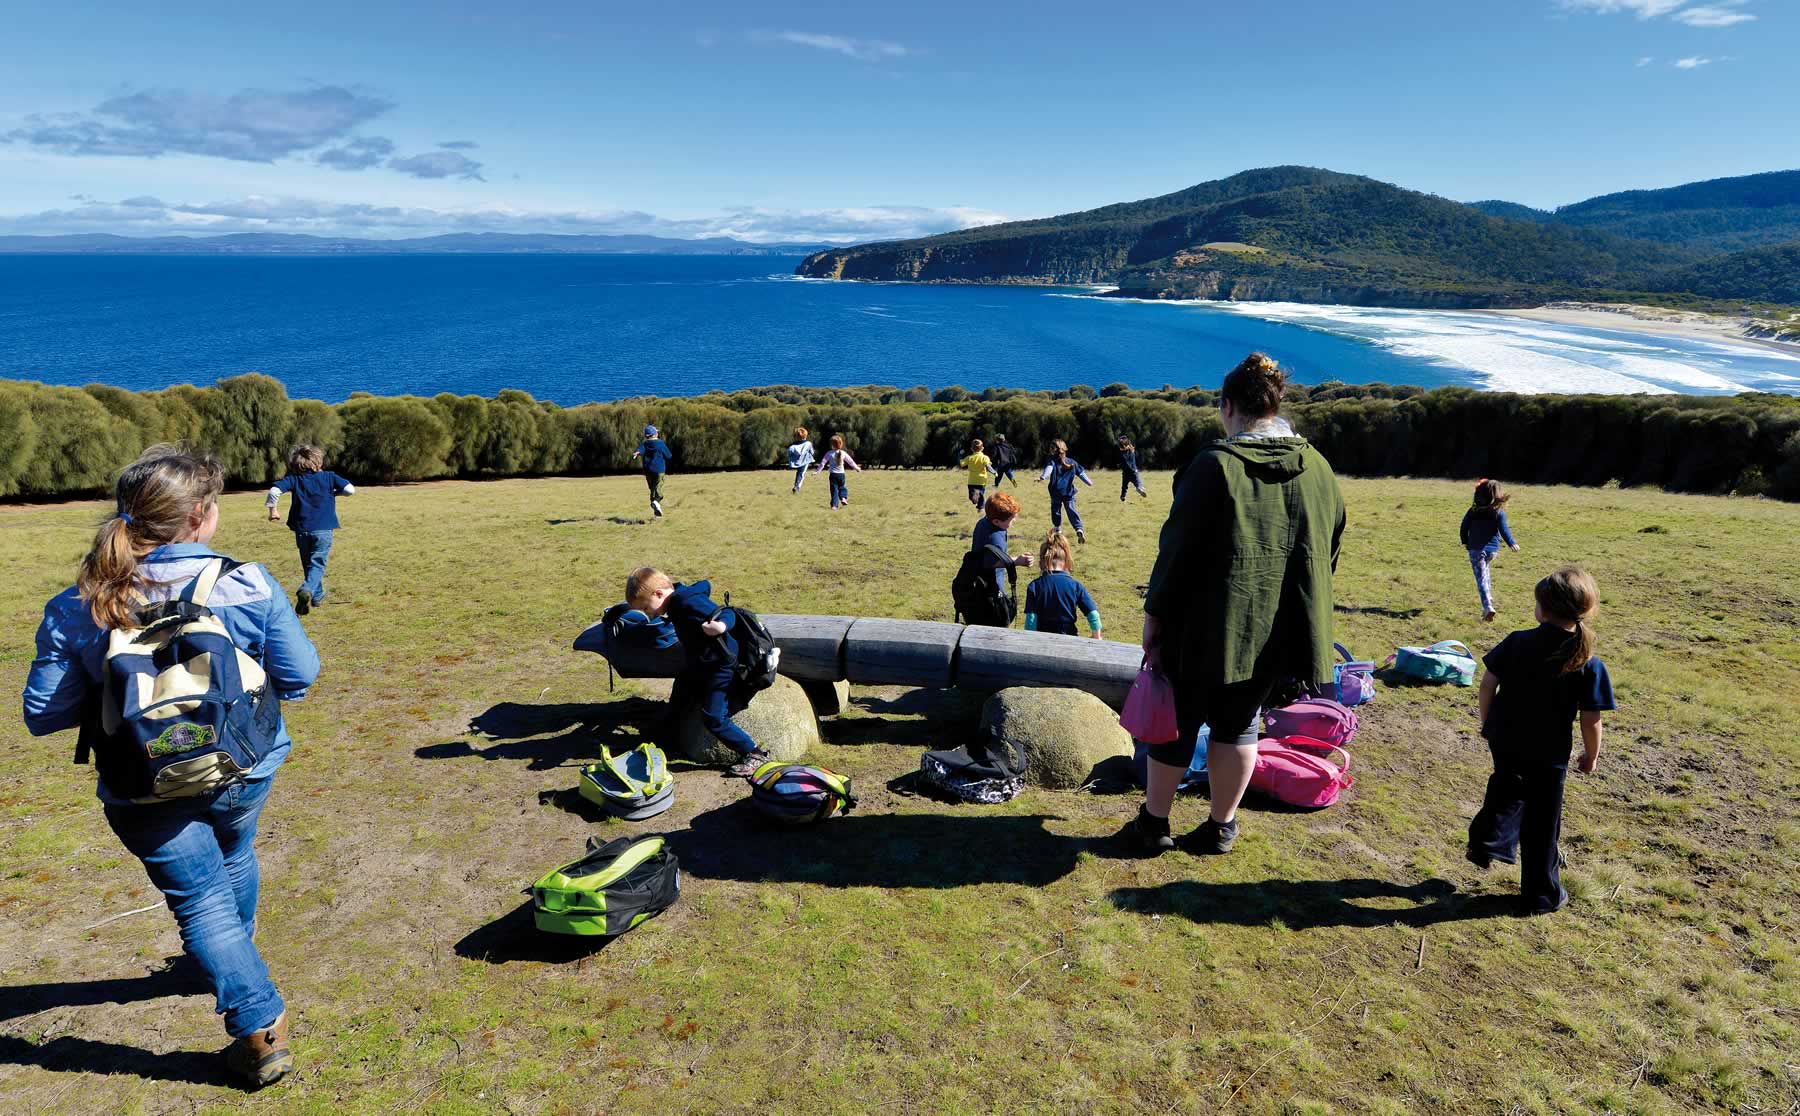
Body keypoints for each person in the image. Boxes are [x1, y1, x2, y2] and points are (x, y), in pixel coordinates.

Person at [22, 444, 320, 1088]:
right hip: (244, 765)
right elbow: (302, 675)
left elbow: (43, 713)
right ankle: (243, 990)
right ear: (200, 516)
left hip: (139, 783)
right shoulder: (246, 581)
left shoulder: (79, 603)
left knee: (200, 900)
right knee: (234, 858)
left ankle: (248, 1004)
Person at [1134, 353, 1346, 855]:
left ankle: (1154, 823)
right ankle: (1220, 826)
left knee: (1176, 724)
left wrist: (1154, 619)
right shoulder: (1317, 467)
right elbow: (1328, 547)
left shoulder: (1213, 466)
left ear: (1228, 406)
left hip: (1204, 628)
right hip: (1279, 627)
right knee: (1240, 722)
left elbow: (1177, 552)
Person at [1467, 567, 1613, 916]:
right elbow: (1591, 719)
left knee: (1507, 785)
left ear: (1541, 610)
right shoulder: (1588, 663)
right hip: (1549, 755)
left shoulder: (1517, 641)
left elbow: (1487, 684)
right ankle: (1541, 895)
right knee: (1543, 822)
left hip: (1504, 738)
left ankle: (1487, 838)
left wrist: (1488, 724)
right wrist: (1591, 756)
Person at [627, 567, 768, 777]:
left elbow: (729, 612)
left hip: (720, 664)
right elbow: (704, 585)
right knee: (681, 691)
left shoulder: (685, 602)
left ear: (658, 593)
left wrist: (721, 625)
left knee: (713, 717)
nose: (650, 614)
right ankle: (664, 736)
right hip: (701, 661)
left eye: (647, 608)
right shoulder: (679, 596)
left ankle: (754, 753)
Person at [264, 444, 355, 616]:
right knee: (318, 564)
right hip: (323, 529)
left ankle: (317, 596)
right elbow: (350, 490)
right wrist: (336, 494)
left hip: (302, 529)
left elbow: (274, 491)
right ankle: (306, 590)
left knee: (308, 564)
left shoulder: (294, 479)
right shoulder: (329, 477)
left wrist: (273, 510)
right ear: (318, 461)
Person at [1460, 478, 1521, 623]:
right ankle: (1489, 599)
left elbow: (1464, 527)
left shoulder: (1473, 511)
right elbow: (1504, 530)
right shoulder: (1498, 512)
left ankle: (1488, 606)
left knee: (1481, 578)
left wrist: (1465, 541)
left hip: (1476, 549)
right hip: (1492, 551)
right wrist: (1511, 543)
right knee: (1485, 573)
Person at [1024, 531, 1101, 638]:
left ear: (1042, 562)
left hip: (1042, 640)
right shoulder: (1075, 586)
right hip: (1069, 639)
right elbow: (1093, 614)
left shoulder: (1034, 586)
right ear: (1067, 560)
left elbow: (1031, 619)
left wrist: (1029, 640)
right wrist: (1096, 637)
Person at [1036, 439, 1095, 543]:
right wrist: (1089, 482)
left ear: (1053, 450)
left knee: (1056, 511)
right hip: (1068, 493)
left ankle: (1058, 529)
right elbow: (1081, 474)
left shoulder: (1052, 461)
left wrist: (1042, 477)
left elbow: (1048, 470)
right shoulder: (1072, 462)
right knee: (1072, 511)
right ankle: (1078, 529)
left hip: (1055, 493)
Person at [971, 491, 1035, 572]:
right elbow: (991, 563)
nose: (1014, 520)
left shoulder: (984, 521)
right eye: (1011, 519)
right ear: (996, 522)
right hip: (989, 580)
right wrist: (1017, 561)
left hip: (975, 568)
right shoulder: (995, 538)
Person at [631, 424, 673, 517]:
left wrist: (637, 453)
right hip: (659, 469)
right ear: (655, 434)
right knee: (658, 487)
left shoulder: (645, 443)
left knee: (652, 488)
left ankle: (656, 509)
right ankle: (656, 502)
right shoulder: (660, 443)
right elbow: (669, 455)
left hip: (648, 471)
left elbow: (640, 450)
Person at [816, 434, 862, 510]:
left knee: (834, 490)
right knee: (842, 487)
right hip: (841, 475)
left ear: (832, 445)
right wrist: (857, 468)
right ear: (841, 444)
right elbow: (851, 462)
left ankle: (834, 506)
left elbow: (822, 463)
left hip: (833, 475)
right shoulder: (843, 453)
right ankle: (843, 498)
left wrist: (818, 471)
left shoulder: (829, 453)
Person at [960, 438, 997, 511]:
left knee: (972, 495)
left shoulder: (969, 458)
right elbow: (988, 466)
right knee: (981, 494)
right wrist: (994, 472)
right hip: (981, 480)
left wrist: (960, 455)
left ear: (971, 449)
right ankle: (981, 507)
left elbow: (962, 464)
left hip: (972, 480)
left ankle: (974, 498)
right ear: (982, 448)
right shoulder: (985, 457)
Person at [786, 426, 816, 493]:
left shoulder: (793, 446)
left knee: (799, 473)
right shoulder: (808, 443)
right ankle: (797, 487)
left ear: (796, 436)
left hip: (797, 462)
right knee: (801, 474)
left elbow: (789, 453)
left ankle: (796, 486)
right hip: (805, 461)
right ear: (805, 435)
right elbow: (812, 452)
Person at [1118, 436, 1147, 501]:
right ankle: (1139, 488)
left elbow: (1121, 461)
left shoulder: (1122, 454)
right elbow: (1129, 446)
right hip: (1134, 472)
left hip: (1125, 473)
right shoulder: (1132, 451)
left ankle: (1123, 496)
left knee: (1124, 486)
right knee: (1138, 483)